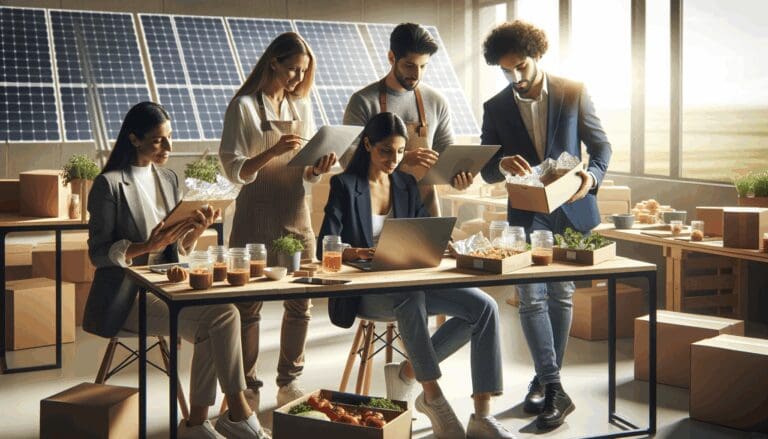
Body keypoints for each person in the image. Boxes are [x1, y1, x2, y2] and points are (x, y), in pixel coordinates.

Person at [318, 112, 514, 439]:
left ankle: (480, 415)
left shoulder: (406, 184)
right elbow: (323, 245)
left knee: (484, 308)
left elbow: (424, 228)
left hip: (410, 280)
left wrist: (443, 243)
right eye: (385, 151)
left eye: (399, 151)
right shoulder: (344, 185)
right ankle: (433, 398)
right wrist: (358, 252)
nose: (394, 159)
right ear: (367, 145)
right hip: (366, 291)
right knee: (411, 297)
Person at [84, 102, 270, 439]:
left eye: (170, 137)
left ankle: (199, 424)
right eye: (158, 140)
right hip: (125, 298)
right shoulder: (108, 185)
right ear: (134, 139)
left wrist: (195, 231)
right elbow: (97, 255)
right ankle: (235, 413)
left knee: (222, 314)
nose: (168, 147)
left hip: (165, 287)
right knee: (222, 316)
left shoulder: (168, 179)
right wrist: (145, 247)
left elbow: (174, 250)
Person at [480, 21, 612, 430]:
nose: (515, 77)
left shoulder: (573, 91)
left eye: (520, 66)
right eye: (506, 71)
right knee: (531, 298)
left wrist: (591, 178)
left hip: (570, 208)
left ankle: (543, 379)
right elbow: (486, 168)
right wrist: (500, 164)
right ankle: (555, 387)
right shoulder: (495, 107)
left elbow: (601, 146)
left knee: (561, 295)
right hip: (526, 213)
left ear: (537, 55)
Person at [219, 32, 336, 408]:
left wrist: (318, 168)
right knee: (248, 306)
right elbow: (233, 169)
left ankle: (289, 381)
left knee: (301, 302)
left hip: (295, 212)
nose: (299, 78)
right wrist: (271, 151)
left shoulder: (301, 106)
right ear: (273, 62)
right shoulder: (243, 107)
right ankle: (247, 385)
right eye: (293, 70)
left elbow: (306, 171)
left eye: (304, 72)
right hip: (254, 214)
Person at [342, 22, 473, 217]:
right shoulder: (363, 101)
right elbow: (349, 160)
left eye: (423, 66)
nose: (416, 74)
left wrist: (457, 178)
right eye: (409, 65)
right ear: (391, 57)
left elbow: (446, 155)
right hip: (376, 209)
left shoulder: (437, 101)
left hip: (424, 209)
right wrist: (401, 159)